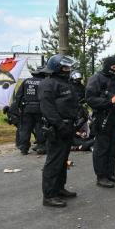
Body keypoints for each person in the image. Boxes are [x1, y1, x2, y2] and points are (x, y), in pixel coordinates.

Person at [37, 54, 79, 207]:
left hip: (68, 126)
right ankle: (49, 196)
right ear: (57, 68)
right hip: (57, 128)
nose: (68, 70)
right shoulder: (47, 84)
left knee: (62, 161)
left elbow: (71, 102)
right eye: (65, 67)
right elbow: (47, 109)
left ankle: (59, 189)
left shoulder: (65, 83)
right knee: (54, 162)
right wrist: (60, 125)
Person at [86, 56, 115, 188]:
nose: (114, 70)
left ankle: (110, 173)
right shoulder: (96, 78)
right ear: (107, 66)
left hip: (114, 117)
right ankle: (101, 176)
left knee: (113, 147)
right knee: (101, 148)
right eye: (113, 67)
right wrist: (109, 101)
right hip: (102, 117)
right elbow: (90, 99)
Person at [12, 68, 47, 155]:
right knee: (40, 127)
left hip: (26, 109)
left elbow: (18, 96)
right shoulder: (44, 82)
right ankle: (41, 147)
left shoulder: (26, 81)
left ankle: (24, 148)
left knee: (25, 128)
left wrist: (18, 107)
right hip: (40, 109)